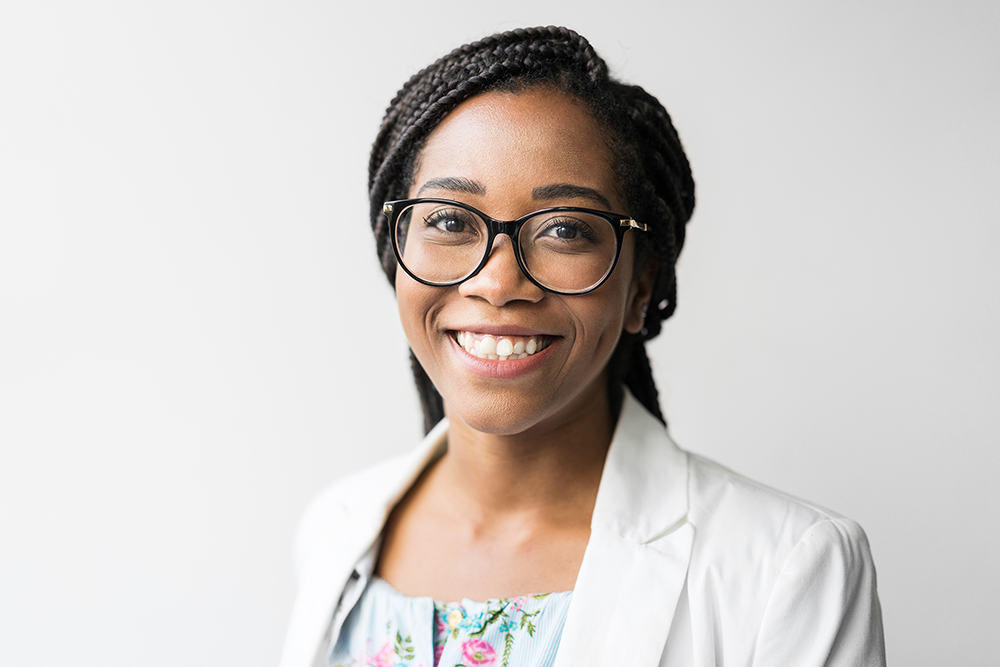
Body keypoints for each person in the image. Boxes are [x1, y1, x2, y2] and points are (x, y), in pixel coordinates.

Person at [280, 26, 885, 667]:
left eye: (565, 229)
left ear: (640, 284)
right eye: (451, 221)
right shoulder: (336, 529)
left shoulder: (789, 569)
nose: (497, 281)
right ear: (395, 253)